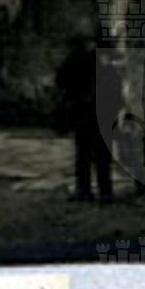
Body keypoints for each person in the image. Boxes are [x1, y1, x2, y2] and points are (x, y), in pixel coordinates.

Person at [54, 31, 113, 204]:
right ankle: (105, 191)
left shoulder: (74, 60)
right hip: (102, 112)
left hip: (82, 112)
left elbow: (60, 80)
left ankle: (84, 191)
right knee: (102, 155)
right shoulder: (104, 61)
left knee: (83, 155)